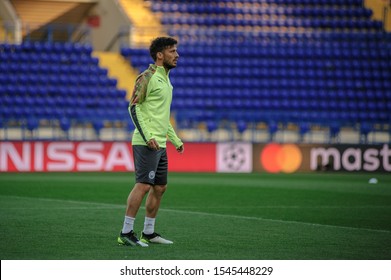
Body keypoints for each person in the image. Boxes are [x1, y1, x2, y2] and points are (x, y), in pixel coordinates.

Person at [118, 37, 184, 247]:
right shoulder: (148, 77)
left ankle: (149, 232)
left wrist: (175, 140)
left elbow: (161, 117)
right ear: (160, 55)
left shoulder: (166, 80)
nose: (177, 55)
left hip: (160, 144)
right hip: (146, 142)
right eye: (172, 51)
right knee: (144, 185)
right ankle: (126, 232)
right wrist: (149, 137)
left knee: (160, 187)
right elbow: (134, 107)